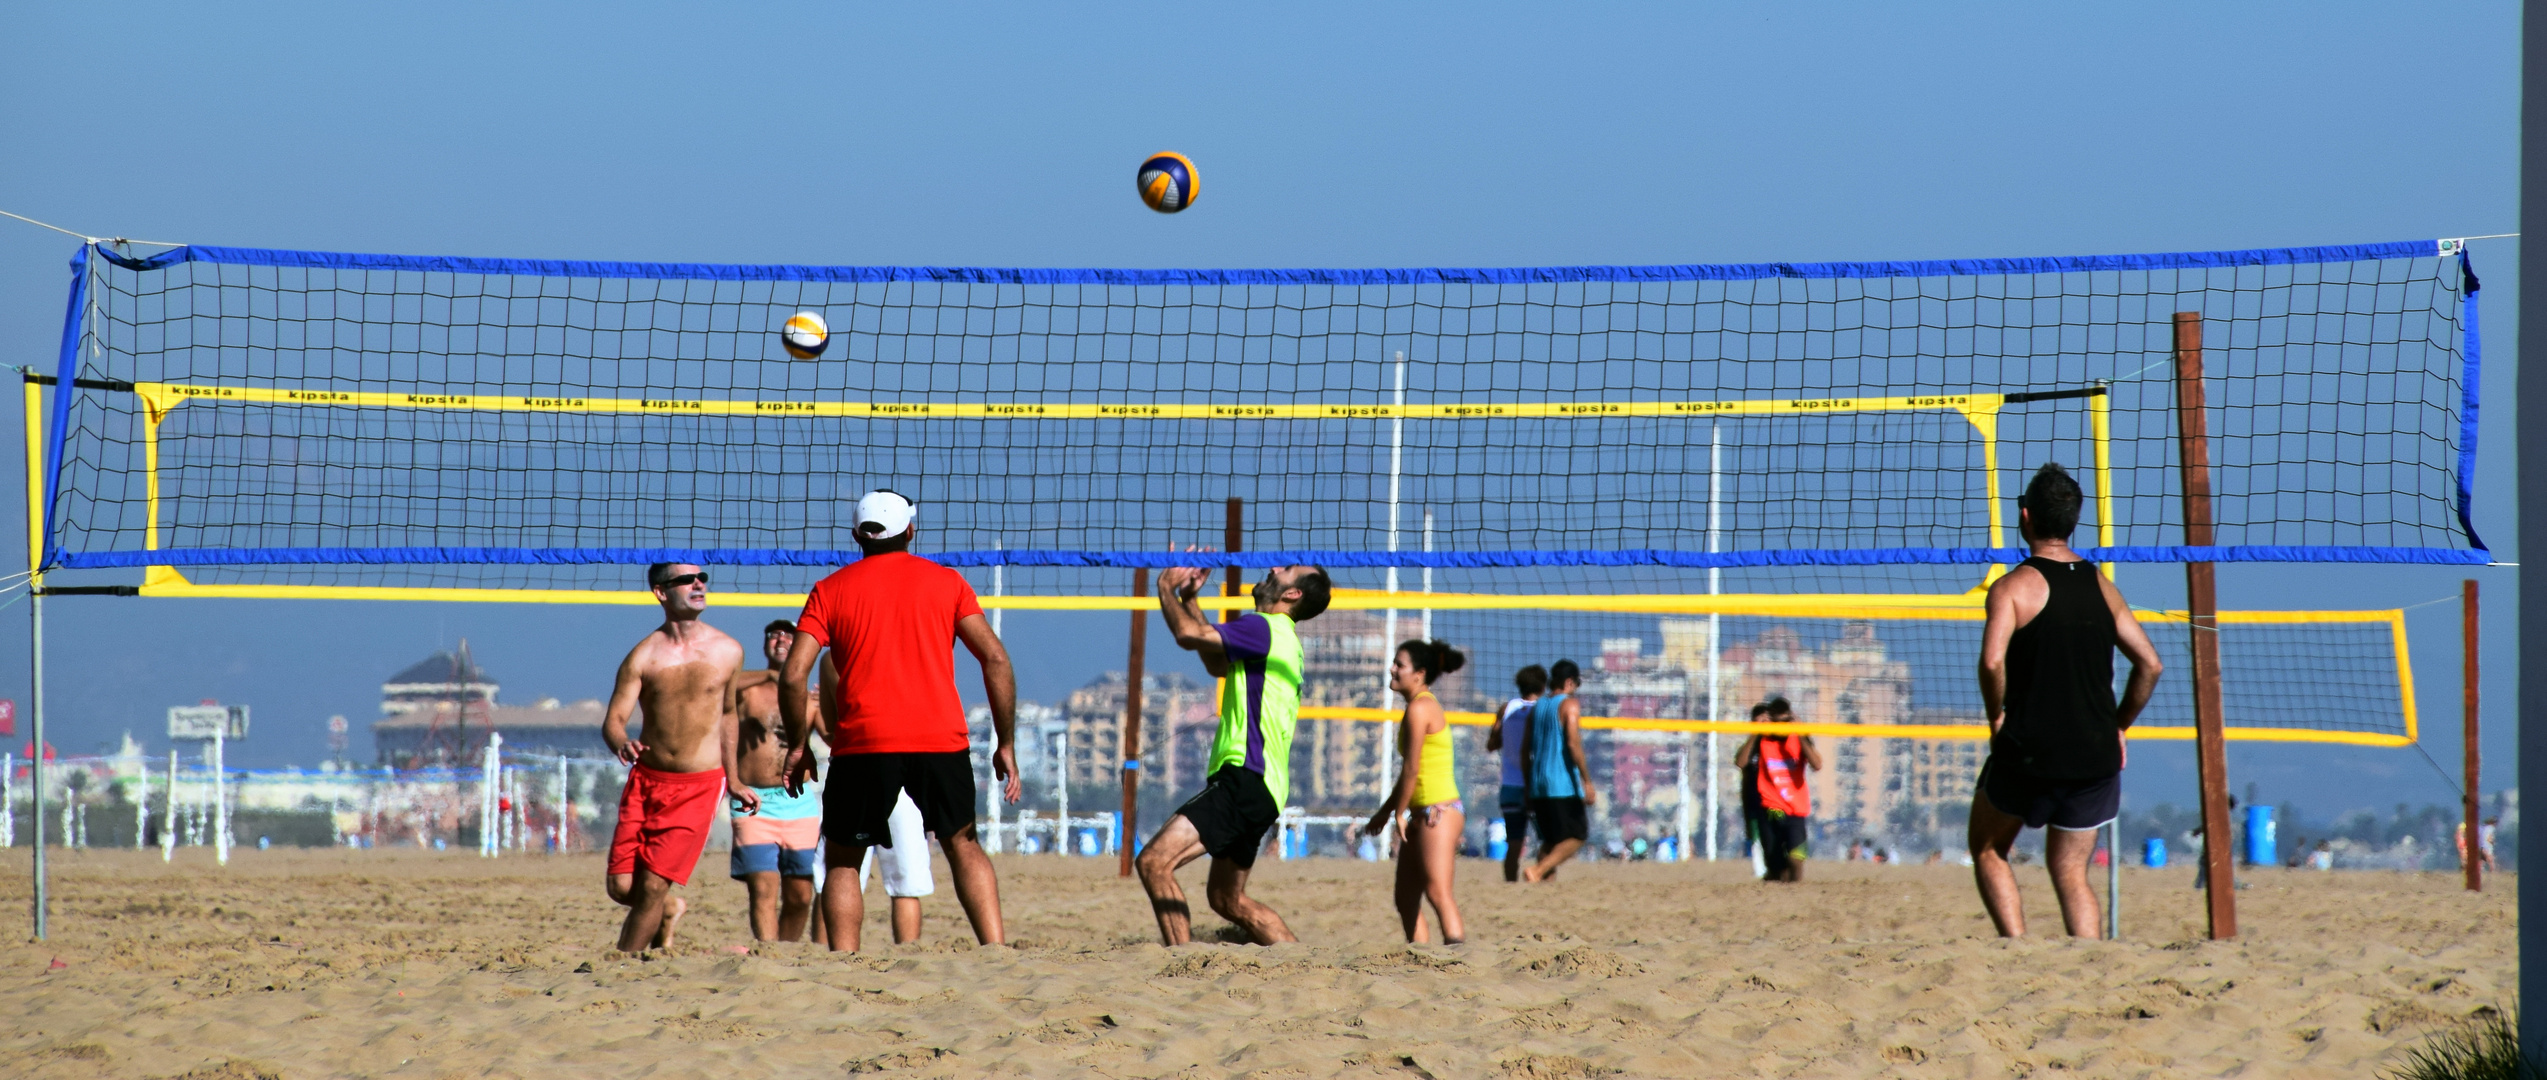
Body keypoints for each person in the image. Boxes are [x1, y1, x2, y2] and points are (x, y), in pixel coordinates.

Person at [778, 490, 1022, 952]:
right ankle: (996, 953)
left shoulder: (830, 590)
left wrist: (797, 744)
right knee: (963, 845)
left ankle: (844, 962)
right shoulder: (947, 582)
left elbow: (794, 676)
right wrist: (1005, 742)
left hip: (863, 742)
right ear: (911, 530)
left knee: (845, 861)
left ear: (856, 536)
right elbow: (996, 659)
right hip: (939, 738)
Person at [1971, 463, 2164, 938]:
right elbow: (2151, 665)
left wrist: (1996, 716)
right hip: (2094, 755)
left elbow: (1993, 663)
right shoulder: (2102, 586)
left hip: (2029, 749)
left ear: (2024, 516)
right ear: (2073, 520)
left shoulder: (2013, 588)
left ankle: (2015, 949)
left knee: (1989, 849)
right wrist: (2119, 726)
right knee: (2072, 872)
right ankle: (2091, 965)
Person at [1134, 561, 1332, 946]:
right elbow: (1215, 662)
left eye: (1286, 569)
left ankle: (1184, 964)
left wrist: (1165, 586)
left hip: (1245, 777)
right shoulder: (1278, 638)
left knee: (1154, 862)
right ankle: (1301, 964)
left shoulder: (1265, 628)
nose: (1274, 567)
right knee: (1227, 899)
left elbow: (1188, 634)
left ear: (1292, 594)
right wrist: (1190, 598)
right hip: (1265, 789)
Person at [601, 562, 746, 953]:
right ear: (661, 592)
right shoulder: (644, 656)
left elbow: (729, 715)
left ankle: (623, 964)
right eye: (686, 580)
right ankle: (666, 912)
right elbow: (614, 720)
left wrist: (733, 779)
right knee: (622, 887)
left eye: (702, 579)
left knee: (650, 886)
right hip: (647, 780)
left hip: (699, 783)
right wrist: (621, 742)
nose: (698, 585)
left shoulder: (728, 650)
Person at [818, 647, 935, 944]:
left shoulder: (834, 658)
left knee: (838, 871)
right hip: (905, 766)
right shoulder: (910, 653)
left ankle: (831, 956)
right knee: (906, 881)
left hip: (856, 764)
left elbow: (832, 729)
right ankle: (908, 954)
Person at [725, 619, 825, 942]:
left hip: (798, 802)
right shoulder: (746, 690)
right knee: (764, 889)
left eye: (788, 634)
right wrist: (770, 676)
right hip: (754, 801)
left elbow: (835, 735)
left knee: (800, 896)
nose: (780, 639)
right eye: (773, 634)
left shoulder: (810, 697)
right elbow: (718, 682)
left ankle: (787, 953)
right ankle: (769, 957)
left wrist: (836, 697)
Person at [1364, 639, 1468, 944]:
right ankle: (1422, 959)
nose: (1392, 669)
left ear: (1419, 673)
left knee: (1438, 892)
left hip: (1440, 810)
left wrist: (1397, 812)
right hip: (1421, 811)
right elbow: (1410, 774)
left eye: (1399, 665)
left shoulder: (1421, 708)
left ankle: (1459, 956)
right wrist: (1386, 812)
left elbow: (1411, 769)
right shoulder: (1416, 707)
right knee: (1406, 898)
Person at [1518, 659, 1594, 883]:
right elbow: (1573, 743)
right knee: (1578, 835)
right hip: (1561, 784)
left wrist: (1528, 784)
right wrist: (1586, 780)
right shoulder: (1569, 705)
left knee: (1550, 842)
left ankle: (1544, 888)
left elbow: (1525, 750)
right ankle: (1538, 871)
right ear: (1570, 682)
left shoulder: (1538, 706)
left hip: (1538, 783)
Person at [1734, 697, 1819, 883]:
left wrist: (1800, 733)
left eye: (1785, 722)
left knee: (1795, 859)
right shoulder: (1762, 739)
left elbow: (1817, 764)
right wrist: (1756, 732)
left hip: (1795, 809)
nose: (1781, 727)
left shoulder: (1799, 737)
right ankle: (1776, 888)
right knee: (1775, 867)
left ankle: (1795, 891)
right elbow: (1741, 762)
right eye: (1778, 722)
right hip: (1768, 809)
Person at [1485, 664, 1547, 882]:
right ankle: (1543, 883)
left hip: (1510, 786)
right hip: (1537, 787)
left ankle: (1510, 887)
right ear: (1542, 686)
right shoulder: (1544, 709)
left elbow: (1491, 744)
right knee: (1548, 843)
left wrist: (1507, 737)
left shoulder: (1506, 708)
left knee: (1514, 843)